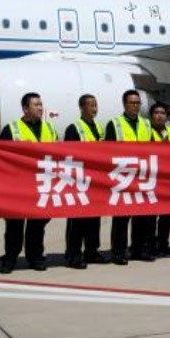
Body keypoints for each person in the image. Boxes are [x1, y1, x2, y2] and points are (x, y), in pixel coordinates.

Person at [0, 91, 56, 272]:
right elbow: (1, 158)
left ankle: (35, 257)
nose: (40, 108)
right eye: (36, 105)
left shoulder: (50, 128)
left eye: (41, 104)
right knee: (14, 225)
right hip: (18, 187)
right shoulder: (11, 129)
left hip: (41, 185)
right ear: (25, 108)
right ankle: (10, 259)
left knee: (38, 225)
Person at [105, 90, 152, 264]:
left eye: (137, 103)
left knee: (142, 217)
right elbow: (107, 152)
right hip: (122, 177)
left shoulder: (146, 124)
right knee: (121, 219)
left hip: (141, 177)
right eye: (132, 103)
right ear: (124, 104)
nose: (135, 106)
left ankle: (139, 250)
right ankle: (118, 252)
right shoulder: (115, 124)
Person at [61, 94, 108, 269]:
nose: (94, 109)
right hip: (79, 181)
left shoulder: (99, 127)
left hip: (95, 181)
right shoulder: (74, 128)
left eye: (96, 105)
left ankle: (92, 251)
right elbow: (69, 155)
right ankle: (73, 255)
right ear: (82, 108)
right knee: (77, 220)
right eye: (91, 105)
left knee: (94, 219)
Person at [146, 102, 170, 256]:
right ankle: (151, 245)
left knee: (167, 215)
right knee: (151, 215)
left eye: (163, 113)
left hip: (168, 179)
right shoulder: (146, 131)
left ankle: (163, 244)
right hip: (152, 178)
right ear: (151, 116)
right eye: (157, 113)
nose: (160, 116)